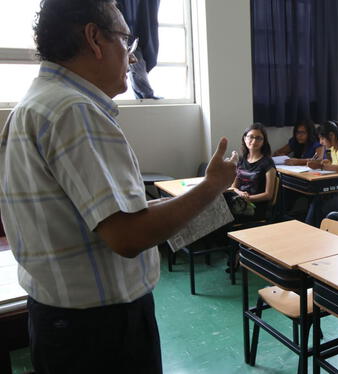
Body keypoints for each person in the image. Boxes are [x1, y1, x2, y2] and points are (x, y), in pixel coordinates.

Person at [0, 1, 238, 373]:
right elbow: (128, 235)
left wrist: (206, 188)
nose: (131, 58)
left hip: (60, 320)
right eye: (127, 40)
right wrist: (212, 187)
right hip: (99, 332)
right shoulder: (75, 112)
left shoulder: (33, 107)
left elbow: (125, 217)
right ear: (95, 39)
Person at [230, 123, 277, 220]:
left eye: (259, 138)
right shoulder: (242, 160)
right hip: (240, 201)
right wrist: (240, 194)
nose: (254, 141)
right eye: (251, 137)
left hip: (255, 207)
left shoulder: (267, 163)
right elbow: (233, 187)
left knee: (224, 218)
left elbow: (268, 195)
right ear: (244, 138)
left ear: (264, 142)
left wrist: (248, 198)